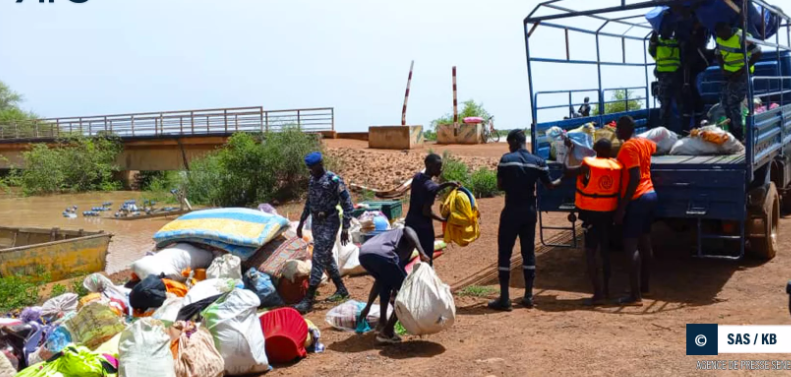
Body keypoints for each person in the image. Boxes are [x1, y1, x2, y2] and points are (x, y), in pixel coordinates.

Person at [488, 129, 562, 311]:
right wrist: (565, 176)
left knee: (505, 252)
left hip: (511, 210)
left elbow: (500, 185)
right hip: (529, 211)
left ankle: (504, 298)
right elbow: (550, 185)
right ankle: (528, 296)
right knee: (528, 252)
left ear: (514, 141)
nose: (509, 146)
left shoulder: (506, 160)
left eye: (509, 142)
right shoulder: (538, 161)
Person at [295, 151, 355, 314]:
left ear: (319, 165)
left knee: (318, 256)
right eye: (309, 168)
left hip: (329, 222)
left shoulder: (333, 180)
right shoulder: (313, 180)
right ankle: (342, 290)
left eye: (312, 168)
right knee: (326, 257)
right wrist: (301, 222)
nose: (310, 171)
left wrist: (346, 227)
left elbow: (348, 205)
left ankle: (308, 299)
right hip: (316, 223)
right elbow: (309, 202)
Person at [564, 139, 621, 305]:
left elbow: (567, 170)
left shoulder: (588, 165)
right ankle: (608, 291)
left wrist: (569, 150)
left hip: (591, 215)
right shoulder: (616, 165)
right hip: (609, 214)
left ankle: (598, 294)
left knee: (590, 253)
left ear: (595, 150)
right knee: (605, 253)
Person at [358, 226, 431, 344]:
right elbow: (408, 229)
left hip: (364, 254)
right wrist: (422, 253)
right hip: (383, 253)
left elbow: (381, 281)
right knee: (409, 293)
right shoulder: (409, 233)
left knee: (384, 282)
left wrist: (368, 306)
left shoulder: (392, 238)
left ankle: (382, 323)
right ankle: (387, 332)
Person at [614, 116, 658, 307]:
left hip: (637, 198)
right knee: (645, 241)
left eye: (618, 129)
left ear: (624, 129)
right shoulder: (645, 143)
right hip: (651, 194)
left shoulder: (628, 147)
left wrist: (622, 208)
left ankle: (635, 296)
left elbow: (634, 177)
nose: (616, 132)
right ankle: (644, 286)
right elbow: (657, 148)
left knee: (631, 245)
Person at [404, 153, 460, 266]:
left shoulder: (417, 177)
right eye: (438, 167)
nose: (440, 170)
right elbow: (426, 211)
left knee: (405, 257)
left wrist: (446, 185)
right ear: (429, 166)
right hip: (424, 228)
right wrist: (442, 219)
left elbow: (432, 187)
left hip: (410, 223)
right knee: (427, 259)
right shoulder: (430, 188)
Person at [715, 22, 762, 141]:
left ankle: (739, 134)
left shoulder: (741, 37)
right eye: (718, 35)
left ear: (728, 28)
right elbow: (718, 54)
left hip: (742, 75)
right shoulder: (719, 38)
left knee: (733, 102)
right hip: (729, 74)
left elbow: (758, 52)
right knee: (725, 103)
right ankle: (732, 132)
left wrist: (742, 71)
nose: (721, 37)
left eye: (722, 34)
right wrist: (723, 69)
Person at [649, 20, 682, 132]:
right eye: (663, 29)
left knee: (680, 103)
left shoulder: (676, 42)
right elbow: (652, 45)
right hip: (663, 77)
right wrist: (655, 30)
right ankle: (664, 130)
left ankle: (683, 129)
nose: (667, 31)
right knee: (665, 105)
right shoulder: (657, 43)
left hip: (677, 77)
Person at [680, 19, 712, 131]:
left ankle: (696, 127)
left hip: (696, 77)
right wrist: (686, 82)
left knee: (696, 104)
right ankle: (687, 129)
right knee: (690, 104)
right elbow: (686, 65)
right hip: (691, 79)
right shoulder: (690, 46)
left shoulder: (703, 50)